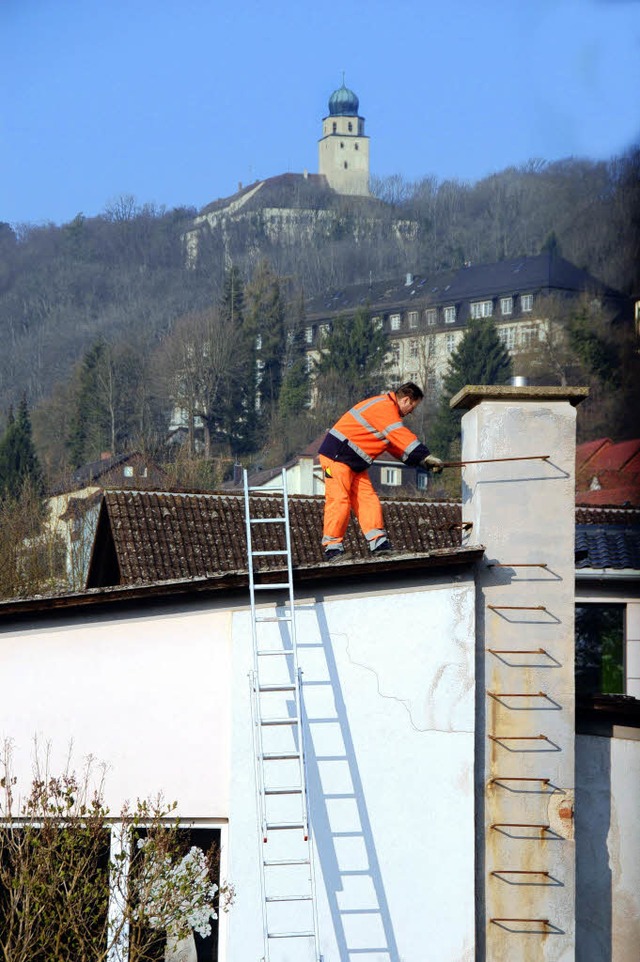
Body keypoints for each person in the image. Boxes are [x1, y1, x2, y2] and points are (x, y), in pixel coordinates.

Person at [318, 382, 443, 560]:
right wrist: (425, 456)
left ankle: (379, 544)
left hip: (353, 462)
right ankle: (332, 549)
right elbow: (400, 437)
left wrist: (422, 461)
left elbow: (395, 446)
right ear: (406, 399)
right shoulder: (385, 409)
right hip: (336, 458)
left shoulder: (386, 411)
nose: (411, 412)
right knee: (339, 500)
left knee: (369, 500)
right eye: (412, 407)